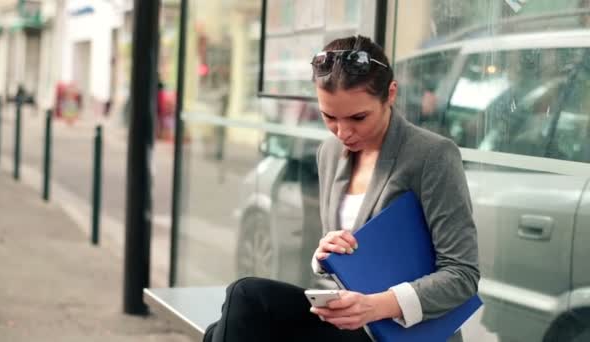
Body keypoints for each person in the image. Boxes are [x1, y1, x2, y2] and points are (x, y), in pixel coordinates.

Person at [203, 35, 479, 342]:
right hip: (346, 322)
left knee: (241, 301)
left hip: (403, 332)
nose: (343, 132)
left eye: (358, 117)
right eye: (329, 117)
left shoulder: (432, 155)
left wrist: (375, 306)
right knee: (233, 316)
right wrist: (323, 256)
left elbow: (462, 275)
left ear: (390, 94)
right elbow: (344, 258)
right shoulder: (330, 152)